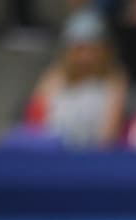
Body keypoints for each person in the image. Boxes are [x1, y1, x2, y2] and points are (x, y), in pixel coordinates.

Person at [22, 9, 128, 148]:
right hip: (51, 154)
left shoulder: (114, 80)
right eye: (80, 49)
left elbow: (108, 137)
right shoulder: (54, 76)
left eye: (93, 49)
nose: (86, 56)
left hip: (92, 158)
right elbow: (34, 123)